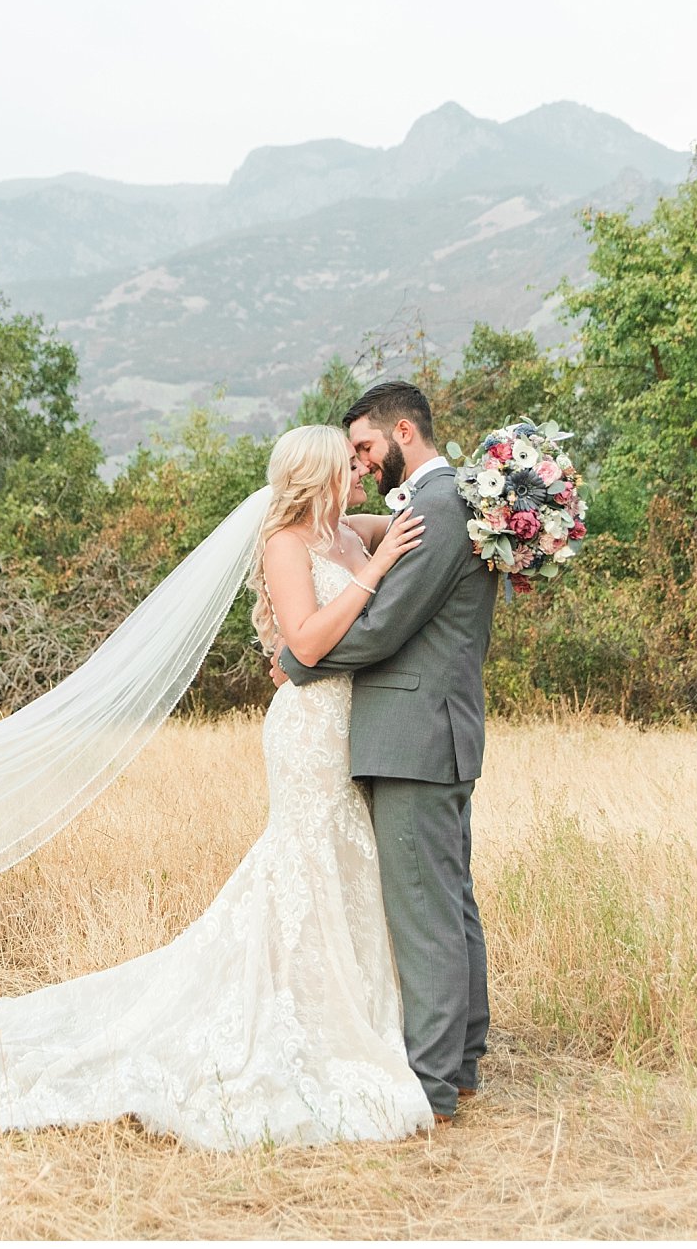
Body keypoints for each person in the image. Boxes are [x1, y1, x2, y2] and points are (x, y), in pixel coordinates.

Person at [0, 424, 441, 1148]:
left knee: (344, 860)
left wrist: (476, 499)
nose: (360, 470)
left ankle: (342, 1009)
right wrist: (377, 569)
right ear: (316, 474)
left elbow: (427, 508)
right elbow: (308, 643)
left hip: (352, 727)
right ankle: (298, 1019)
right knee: (304, 860)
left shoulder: (351, 529)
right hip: (308, 730)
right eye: (347, 463)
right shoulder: (289, 543)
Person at [275, 380, 499, 1125]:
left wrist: (299, 661)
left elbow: (382, 628)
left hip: (414, 737)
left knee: (423, 912)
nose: (362, 464)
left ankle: (435, 1085)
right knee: (450, 900)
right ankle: (461, 1060)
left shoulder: (436, 509)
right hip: (438, 731)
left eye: (366, 447)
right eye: (349, 457)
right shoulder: (440, 501)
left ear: (404, 432)